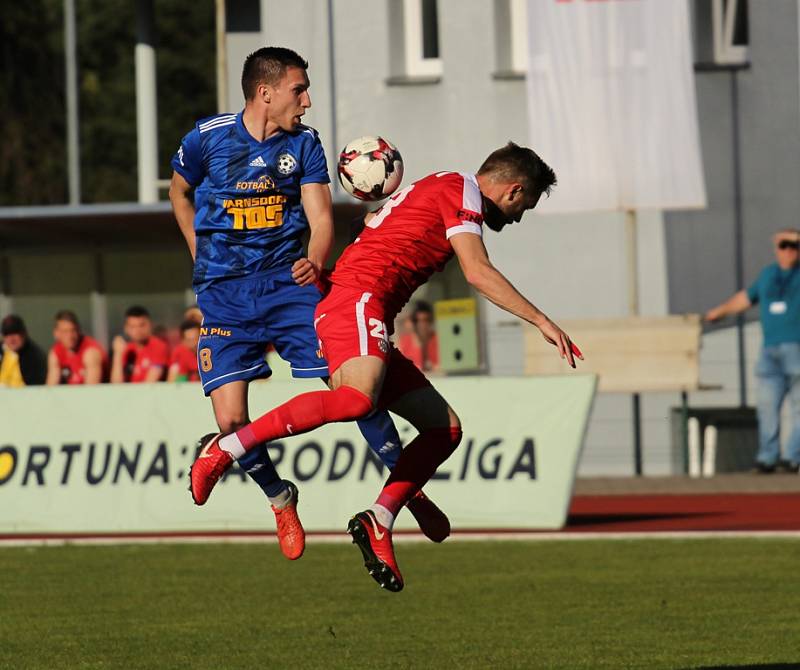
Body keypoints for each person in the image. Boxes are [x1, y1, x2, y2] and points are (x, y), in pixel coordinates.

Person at [189, 142, 583, 591]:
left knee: (444, 429)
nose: (517, 218)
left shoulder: (441, 186)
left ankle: (380, 518)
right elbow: (477, 271)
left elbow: (379, 231)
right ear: (513, 191)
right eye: (524, 207)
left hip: (360, 305)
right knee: (357, 400)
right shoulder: (461, 191)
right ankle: (228, 446)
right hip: (357, 301)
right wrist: (541, 320)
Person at [168, 46, 445, 561]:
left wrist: (316, 261)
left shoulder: (306, 144)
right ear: (265, 92)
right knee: (230, 425)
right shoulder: (206, 139)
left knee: (354, 389)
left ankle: (407, 489)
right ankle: (280, 498)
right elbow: (178, 192)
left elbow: (320, 220)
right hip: (225, 295)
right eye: (299, 89)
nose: (308, 100)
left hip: (289, 288)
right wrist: (196, 253)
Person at [705, 229, 800, 474]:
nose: (789, 250)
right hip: (770, 352)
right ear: (776, 247)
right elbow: (746, 298)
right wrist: (719, 312)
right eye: (784, 244)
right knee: (767, 406)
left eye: (795, 245)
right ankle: (768, 458)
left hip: (797, 349)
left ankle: (793, 457)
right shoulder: (768, 275)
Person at [46, 310, 107, 385]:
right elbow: (51, 389)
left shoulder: (91, 352)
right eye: (65, 331)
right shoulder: (55, 352)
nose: (70, 336)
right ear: (56, 333)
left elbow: (91, 391)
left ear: (79, 330)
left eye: (73, 330)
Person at [110, 305, 169, 383]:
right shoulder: (126, 349)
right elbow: (115, 385)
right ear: (126, 328)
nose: (138, 330)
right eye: (133, 326)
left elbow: (150, 384)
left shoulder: (158, 346)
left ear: (150, 325)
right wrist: (118, 355)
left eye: (142, 325)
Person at [0, 315, 47, 387]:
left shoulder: (34, 356)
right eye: (7, 334)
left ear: (24, 333)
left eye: (15, 333)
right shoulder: (2, 352)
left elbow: (37, 388)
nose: (11, 339)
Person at [397, 301, 440, 372]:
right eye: (417, 320)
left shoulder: (437, 340)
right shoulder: (404, 342)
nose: (421, 324)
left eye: (425, 320)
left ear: (431, 321)